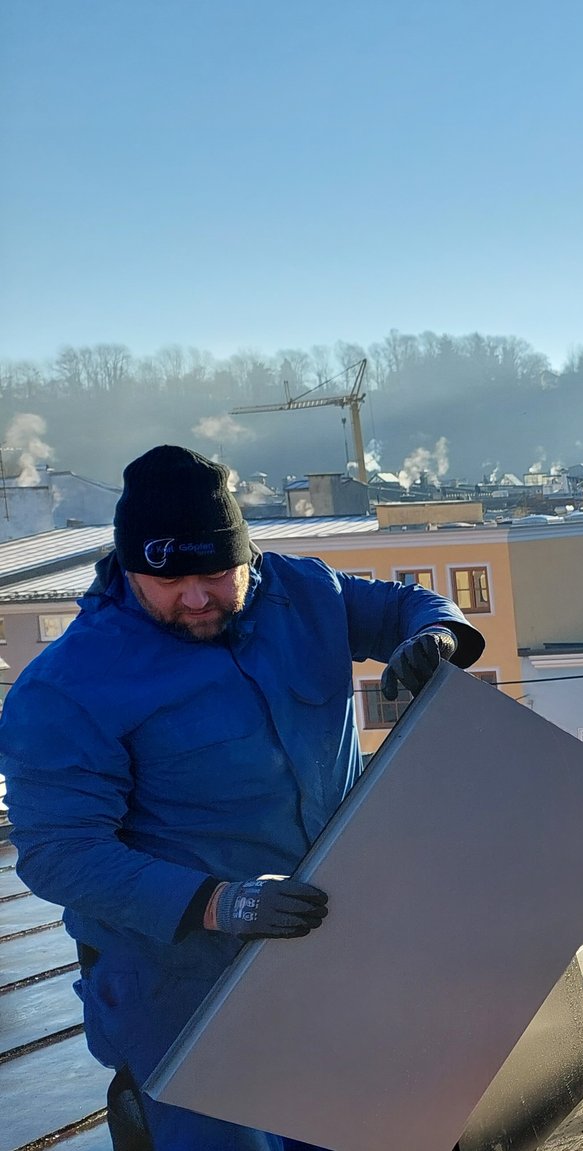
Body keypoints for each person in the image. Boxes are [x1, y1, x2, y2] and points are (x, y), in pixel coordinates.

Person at [0, 446, 486, 1150]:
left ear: (249, 557)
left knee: (380, 1128)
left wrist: (436, 634)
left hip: (331, 944)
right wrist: (217, 902)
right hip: (178, 985)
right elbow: (60, 855)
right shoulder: (69, 685)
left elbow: (410, 606)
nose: (196, 598)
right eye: (167, 580)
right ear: (127, 566)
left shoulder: (306, 595)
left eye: (215, 575)